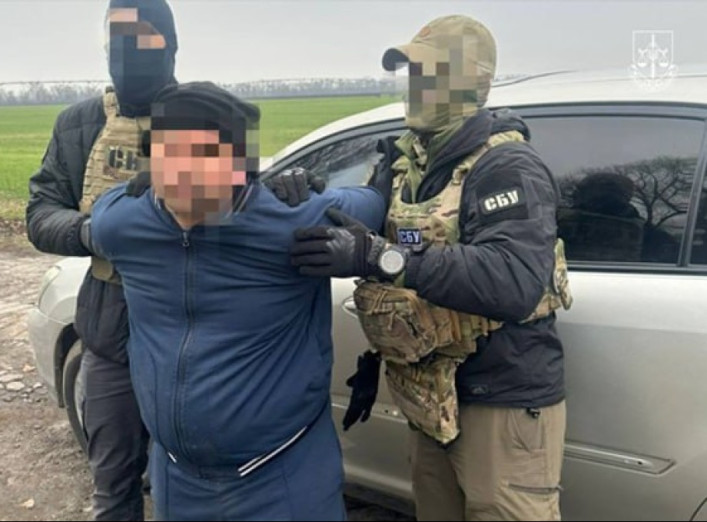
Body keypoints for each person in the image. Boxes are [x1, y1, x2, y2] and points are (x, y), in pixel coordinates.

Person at [291, 14, 573, 521]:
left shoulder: (506, 165)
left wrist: (380, 257)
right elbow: (359, 216)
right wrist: (303, 192)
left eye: (432, 73)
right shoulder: (407, 162)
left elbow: (513, 280)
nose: (416, 87)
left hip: (499, 399)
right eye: (412, 74)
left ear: (473, 82)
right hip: (431, 401)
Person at [86, 81, 386, 521]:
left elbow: (374, 201)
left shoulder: (293, 220)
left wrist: (309, 185)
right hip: (177, 479)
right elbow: (98, 209)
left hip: (282, 477)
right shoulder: (123, 223)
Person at [25, 1, 179, 519]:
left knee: (189, 480)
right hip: (109, 329)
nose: (129, 57)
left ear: (172, 48)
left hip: (189, 330)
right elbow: (41, 212)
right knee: (113, 483)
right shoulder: (79, 124)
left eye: (145, 43)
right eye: (118, 45)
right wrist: (92, 232)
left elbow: (244, 206)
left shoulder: (203, 116)